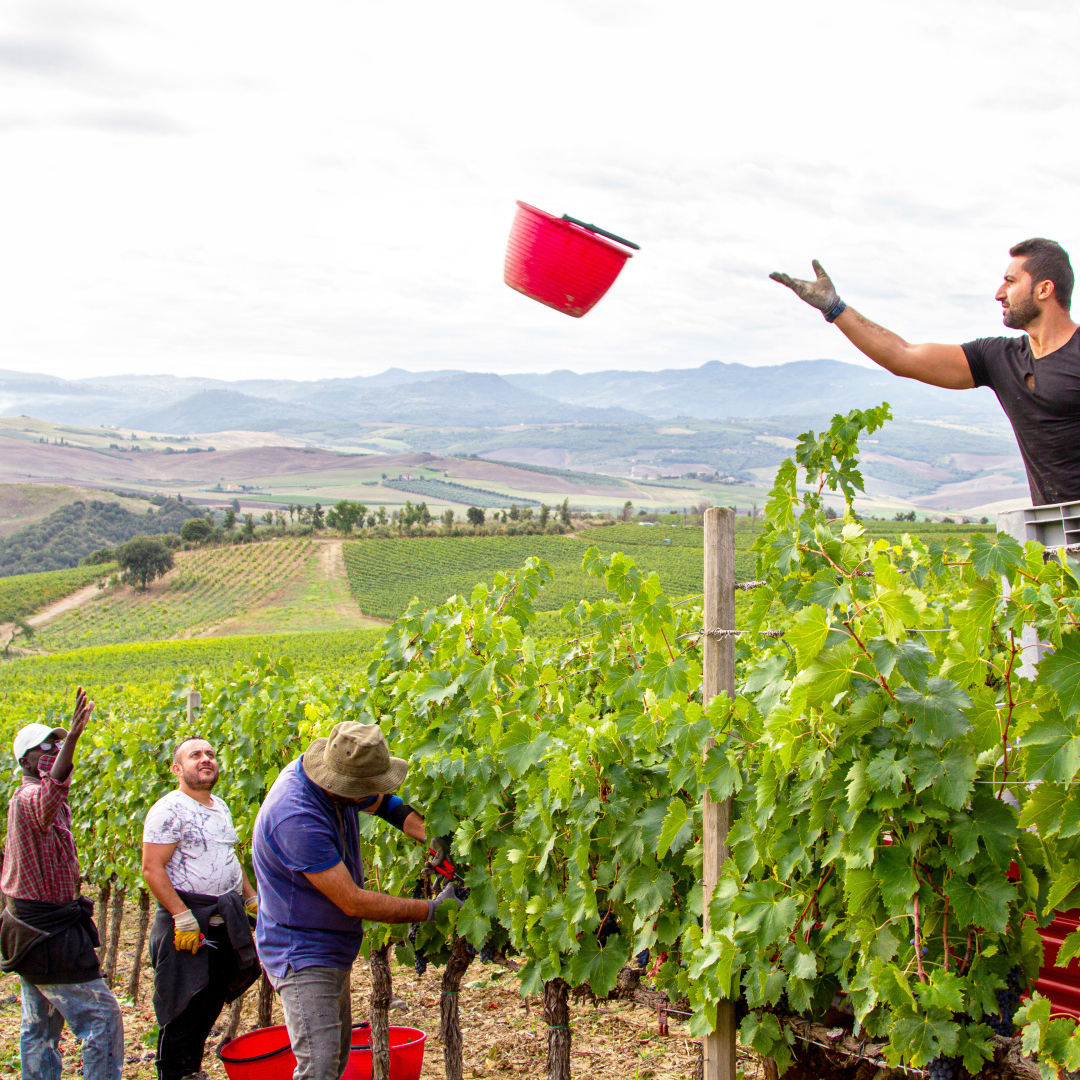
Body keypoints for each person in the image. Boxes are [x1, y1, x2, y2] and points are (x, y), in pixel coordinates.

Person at [770, 237, 1080, 505]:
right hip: (1055, 541)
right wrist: (834, 308)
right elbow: (903, 357)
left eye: (1010, 281)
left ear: (1044, 289)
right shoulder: (999, 358)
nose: (999, 293)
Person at [251, 722, 457, 1080]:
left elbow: (385, 805)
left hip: (329, 945)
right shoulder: (295, 816)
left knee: (333, 1060)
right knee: (318, 1067)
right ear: (338, 785)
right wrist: (432, 910)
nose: (368, 794)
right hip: (300, 952)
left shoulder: (334, 775)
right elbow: (353, 901)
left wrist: (429, 835)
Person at [0, 688, 124, 1080]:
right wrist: (72, 738)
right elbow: (51, 794)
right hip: (45, 933)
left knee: (40, 1026)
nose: (52, 748)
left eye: (56, 741)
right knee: (102, 1018)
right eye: (44, 745)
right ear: (25, 759)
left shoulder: (41, 799)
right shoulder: (28, 798)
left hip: (33, 929)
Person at [142, 736, 261, 1080]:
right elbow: (152, 868)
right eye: (195, 755)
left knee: (210, 999)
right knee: (182, 1006)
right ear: (177, 769)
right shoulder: (168, 809)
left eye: (210, 754)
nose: (206, 759)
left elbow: (228, 860)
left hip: (224, 919)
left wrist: (250, 897)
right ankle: (172, 1074)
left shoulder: (219, 806)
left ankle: (191, 1071)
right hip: (187, 923)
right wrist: (182, 917)